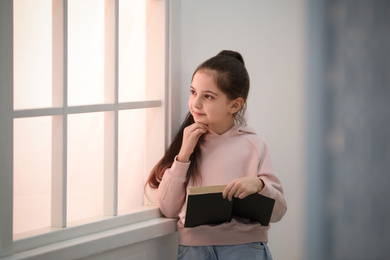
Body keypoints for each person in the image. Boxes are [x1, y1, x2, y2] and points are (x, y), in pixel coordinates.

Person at [146, 50, 287, 260]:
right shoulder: (188, 142)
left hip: (244, 250)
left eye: (208, 96)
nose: (196, 103)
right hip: (192, 251)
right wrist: (183, 156)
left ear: (235, 104)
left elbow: (278, 212)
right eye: (193, 92)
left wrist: (258, 185)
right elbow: (168, 208)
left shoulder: (253, 144)